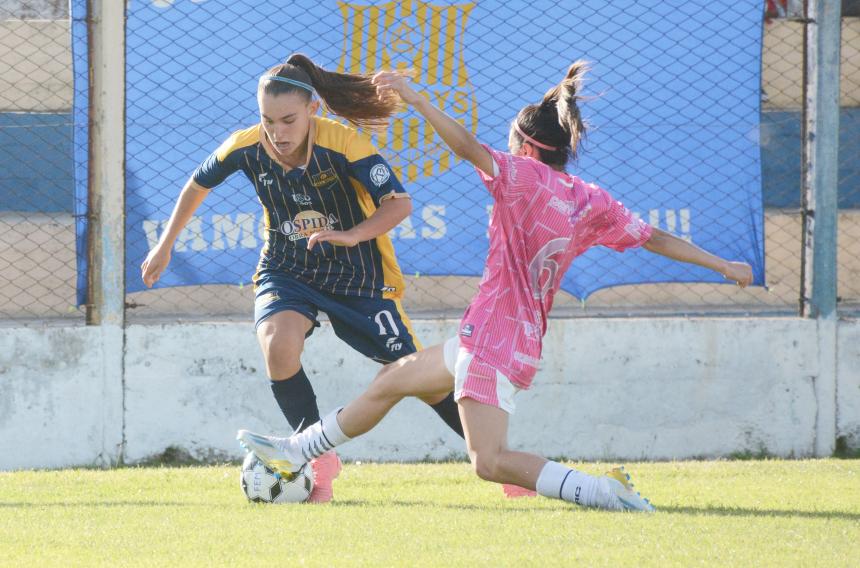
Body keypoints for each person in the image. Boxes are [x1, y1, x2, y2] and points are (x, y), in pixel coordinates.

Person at [238, 61, 754, 512]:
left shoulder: (522, 177)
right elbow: (655, 237)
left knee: (490, 462)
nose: (507, 149)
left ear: (528, 146)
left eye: (512, 141)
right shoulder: (590, 200)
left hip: (491, 343)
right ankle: (297, 451)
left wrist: (417, 98)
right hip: (496, 338)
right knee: (391, 381)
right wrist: (722, 264)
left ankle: (602, 491)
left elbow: (464, 146)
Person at [140, 53, 467, 503]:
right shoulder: (245, 145)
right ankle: (315, 457)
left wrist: (352, 235)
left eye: (288, 119)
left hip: (359, 277)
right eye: (267, 120)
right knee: (278, 345)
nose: (277, 132)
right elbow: (197, 183)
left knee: (421, 380)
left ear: (312, 109)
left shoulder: (344, 143)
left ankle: (493, 457)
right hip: (287, 269)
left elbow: (399, 203)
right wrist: (165, 243)